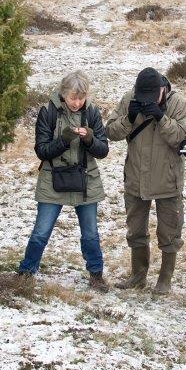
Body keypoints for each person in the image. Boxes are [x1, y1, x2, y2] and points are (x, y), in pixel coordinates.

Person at [18, 71, 110, 292]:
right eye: (72, 98)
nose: (77, 103)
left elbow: (103, 150)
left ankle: (96, 275)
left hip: (86, 179)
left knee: (90, 233)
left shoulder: (93, 112)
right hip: (53, 178)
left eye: (81, 98)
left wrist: (89, 138)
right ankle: (25, 273)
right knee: (41, 231)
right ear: (63, 94)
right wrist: (64, 140)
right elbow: (42, 150)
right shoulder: (48, 112)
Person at [106, 67, 186, 295]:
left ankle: (165, 279)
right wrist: (129, 118)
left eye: (150, 98)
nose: (145, 101)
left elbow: (181, 138)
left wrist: (162, 118)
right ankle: (138, 275)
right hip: (136, 177)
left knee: (169, 232)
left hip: (167, 179)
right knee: (135, 229)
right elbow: (111, 132)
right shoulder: (129, 99)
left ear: (161, 90)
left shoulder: (177, 103)